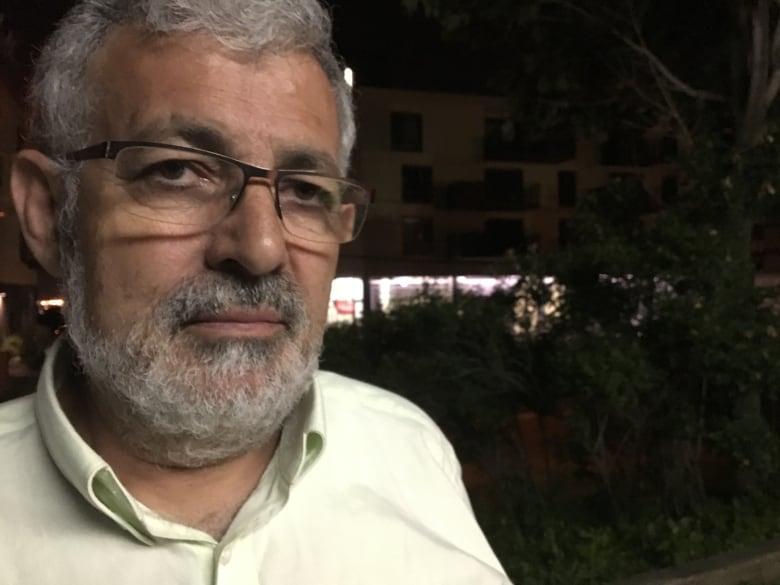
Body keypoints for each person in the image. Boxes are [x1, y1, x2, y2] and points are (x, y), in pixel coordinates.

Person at [2, 1, 512, 583]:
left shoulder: (409, 446)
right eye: (177, 171)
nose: (262, 248)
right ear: (47, 215)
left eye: (302, 189)